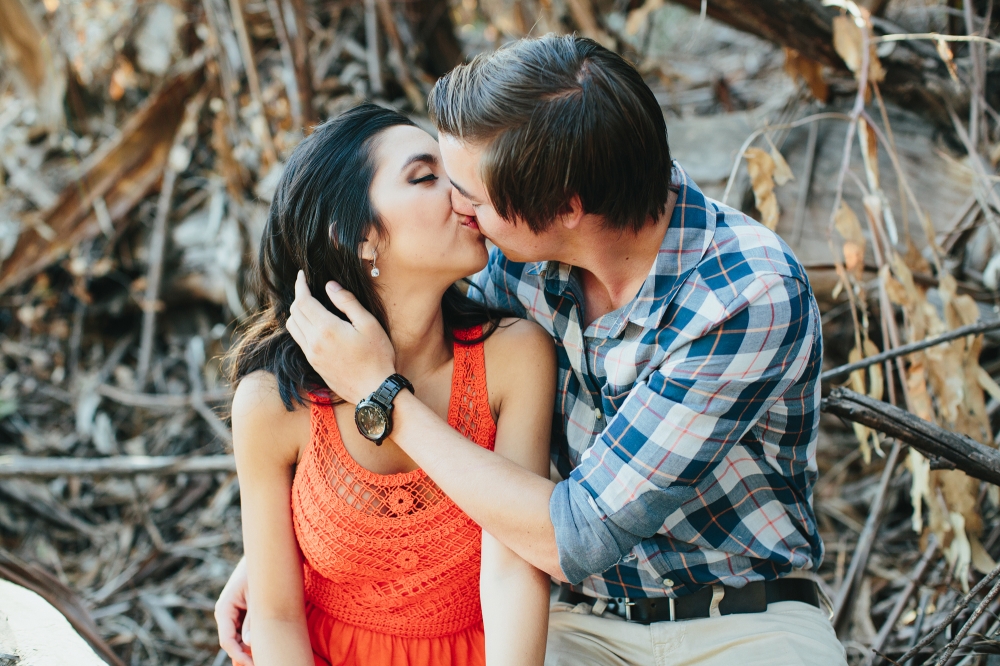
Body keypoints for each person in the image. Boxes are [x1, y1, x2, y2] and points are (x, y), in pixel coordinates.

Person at [219, 35, 849, 665]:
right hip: (577, 624)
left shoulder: (745, 296)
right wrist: (300, 532)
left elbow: (575, 534)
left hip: (741, 617)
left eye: (474, 192)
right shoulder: (519, 266)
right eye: (436, 174)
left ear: (565, 207)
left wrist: (382, 396)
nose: (460, 206)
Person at [221, 103, 552, 666]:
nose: (462, 193)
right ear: (360, 237)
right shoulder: (273, 404)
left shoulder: (513, 355)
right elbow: (275, 616)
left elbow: (514, 567)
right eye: (426, 177)